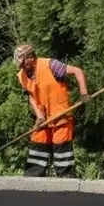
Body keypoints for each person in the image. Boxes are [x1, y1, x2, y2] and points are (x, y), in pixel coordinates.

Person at [13, 44, 88, 177]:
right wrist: (39, 116)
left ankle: (66, 179)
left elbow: (77, 71)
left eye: (23, 63)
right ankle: (32, 179)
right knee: (38, 142)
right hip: (44, 118)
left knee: (61, 146)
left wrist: (84, 93)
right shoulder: (22, 76)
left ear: (30, 57)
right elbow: (31, 96)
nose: (22, 67)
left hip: (61, 115)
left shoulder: (51, 65)